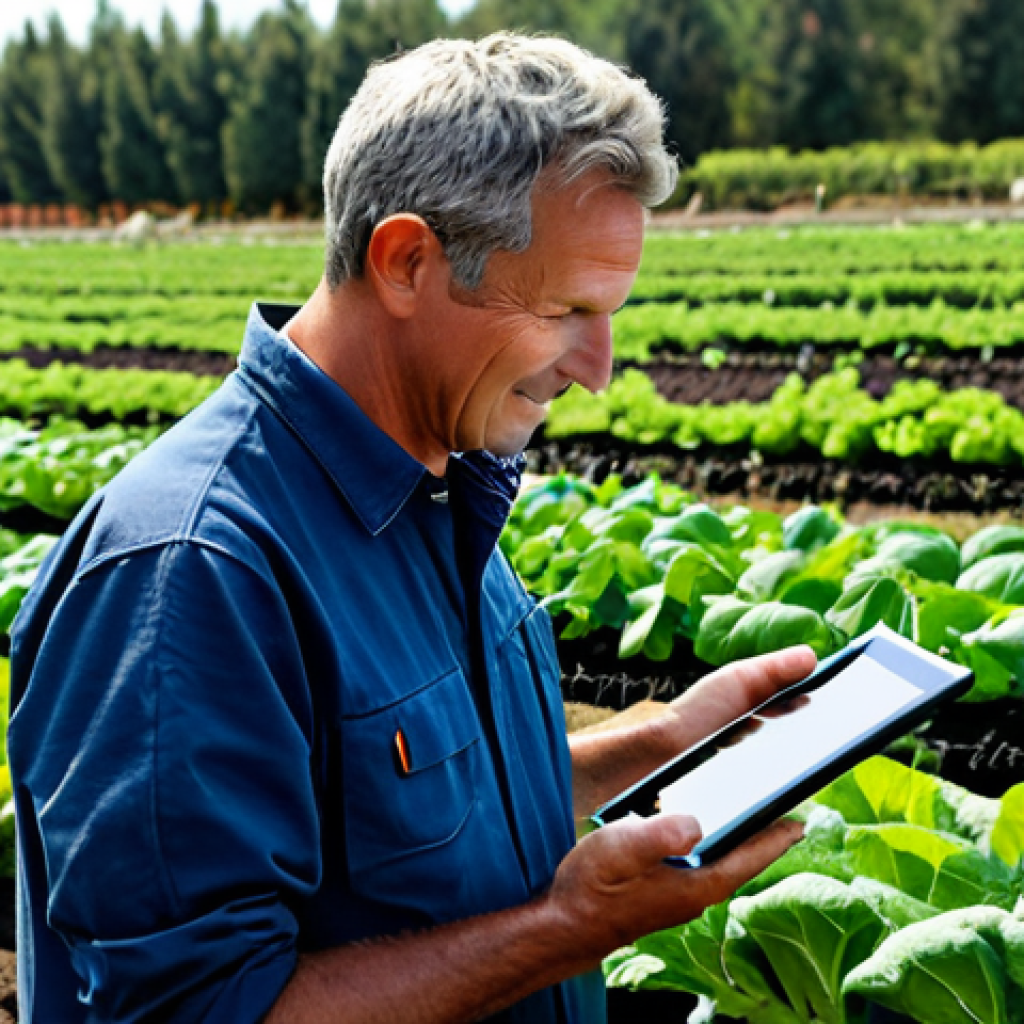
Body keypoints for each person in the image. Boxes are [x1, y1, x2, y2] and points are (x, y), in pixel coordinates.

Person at [8, 32, 815, 1023]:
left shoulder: (440, 475)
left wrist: (666, 740)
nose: (598, 367)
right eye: (566, 308)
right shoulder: (191, 572)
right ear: (404, 262)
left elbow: (425, 813)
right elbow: (203, 1009)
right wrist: (570, 928)